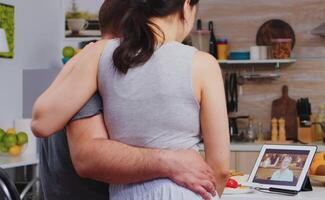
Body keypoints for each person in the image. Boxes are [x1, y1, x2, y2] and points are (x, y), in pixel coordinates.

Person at [32, 0, 230, 199]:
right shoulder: (203, 64)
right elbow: (219, 169)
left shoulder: (97, 58)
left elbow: (40, 123)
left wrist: (87, 54)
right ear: (186, 6)